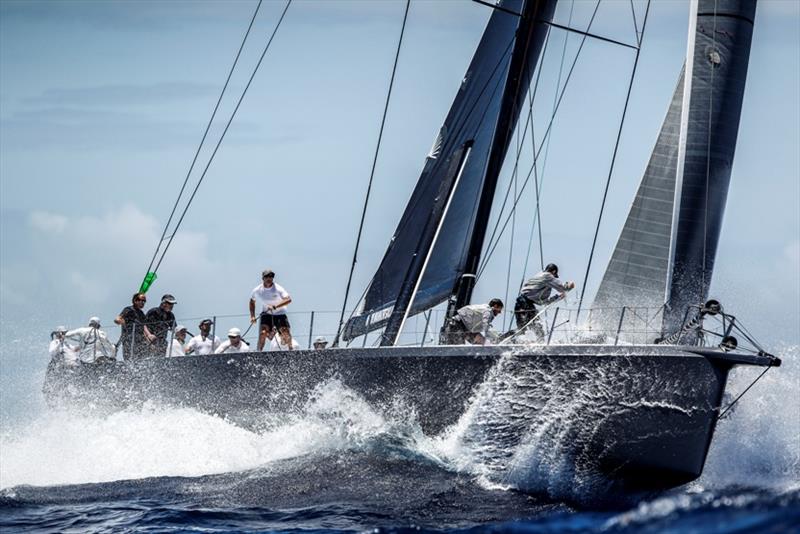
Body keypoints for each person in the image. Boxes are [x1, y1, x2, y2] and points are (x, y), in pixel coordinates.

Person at [515, 263, 575, 339]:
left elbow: (544, 302)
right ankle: (541, 345)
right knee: (538, 330)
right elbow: (562, 288)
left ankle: (500, 340)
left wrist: (557, 297)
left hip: (521, 303)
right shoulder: (547, 276)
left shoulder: (538, 276)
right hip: (525, 304)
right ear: (553, 272)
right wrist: (569, 285)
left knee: (522, 329)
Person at [249, 269, 292, 351]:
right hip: (266, 314)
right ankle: (259, 351)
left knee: (285, 333)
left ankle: (291, 349)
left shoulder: (278, 289)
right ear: (263, 278)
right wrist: (252, 316)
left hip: (280, 313)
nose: (269, 278)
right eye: (267, 277)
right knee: (263, 333)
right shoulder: (257, 290)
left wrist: (275, 306)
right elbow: (252, 301)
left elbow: (288, 300)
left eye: (271, 276)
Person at [114, 292, 150, 361]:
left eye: (144, 301)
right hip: (129, 339)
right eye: (141, 300)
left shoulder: (142, 314)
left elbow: (143, 328)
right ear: (135, 300)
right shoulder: (129, 309)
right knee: (129, 359)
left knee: (143, 357)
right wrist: (122, 322)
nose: (143, 302)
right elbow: (117, 319)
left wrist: (149, 339)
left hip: (140, 340)